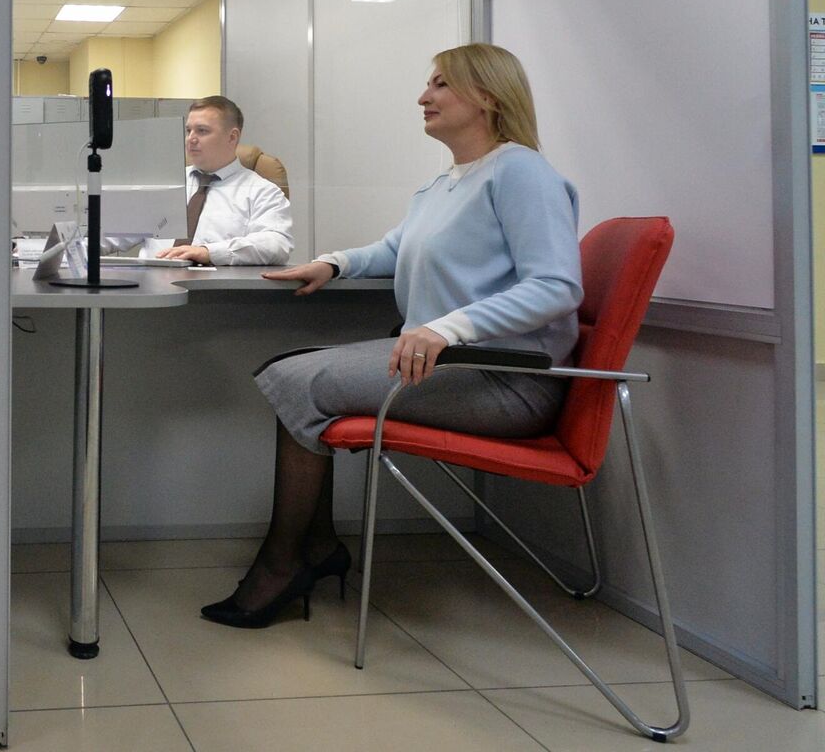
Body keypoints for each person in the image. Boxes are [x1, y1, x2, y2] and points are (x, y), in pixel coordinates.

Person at [202, 44, 582, 629]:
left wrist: (446, 327)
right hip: (453, 367)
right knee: (294, 372)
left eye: (441, 84)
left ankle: (283, 565)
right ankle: (316, 548)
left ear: (487, 96)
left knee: (297, 380)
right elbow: (392, 249)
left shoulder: (521, 171)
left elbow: (557, 285)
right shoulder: (444, 185)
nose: (424, 96)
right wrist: (333, 263)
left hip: (506, 379)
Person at [150, 96, 293, 265]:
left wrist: (209, 252)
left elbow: (276, 245)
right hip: (149, 279)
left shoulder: (261, 192)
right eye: (188, 131)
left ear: (232, 137)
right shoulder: (164, 183)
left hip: (213, 280)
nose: (191, 138)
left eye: (202, 131)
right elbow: (122, 232)